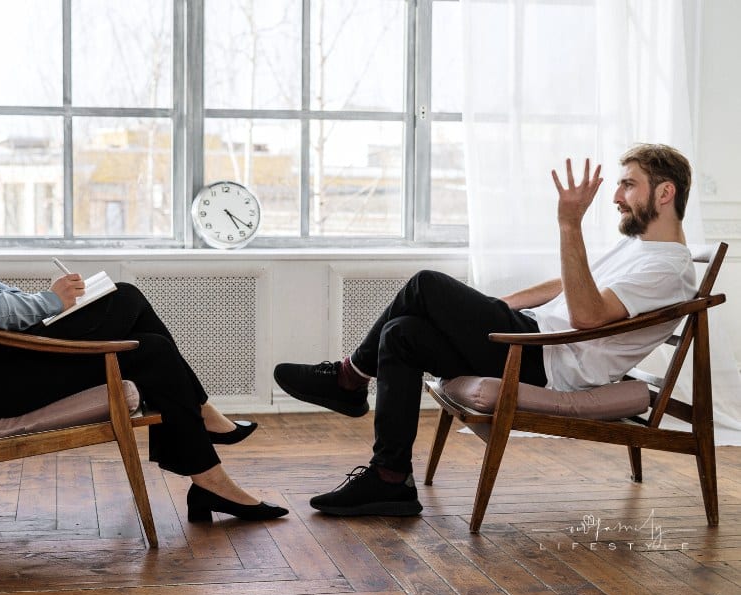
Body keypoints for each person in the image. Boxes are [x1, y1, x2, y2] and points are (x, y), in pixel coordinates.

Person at [0, 106, 287, 523]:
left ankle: (208, 467)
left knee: (133, 312)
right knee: (141, 330)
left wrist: (51, 302)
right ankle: (205, 439)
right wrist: (51, 302)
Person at [274, 144, 697, 517]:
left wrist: (569, 225)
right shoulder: (640, 248)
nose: (617, 197)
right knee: (401, 333)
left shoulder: (667, 269)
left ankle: (348, 378)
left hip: (544, 361)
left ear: (665, 193)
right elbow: (569, 284)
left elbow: (587, 316)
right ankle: (390, 477)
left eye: (628, 185)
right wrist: (495, 307)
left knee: (426, 284)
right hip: (533, 340)